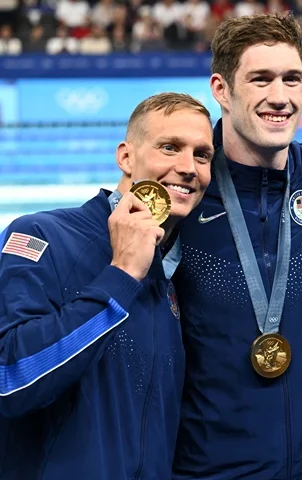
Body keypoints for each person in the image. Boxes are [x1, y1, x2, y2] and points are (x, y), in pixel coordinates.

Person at [171, 13, 302, 479]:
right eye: (260, 79)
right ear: (221, 90)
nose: (279, 97)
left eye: (291, 79)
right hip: (211, 468)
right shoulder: (182, 190)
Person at [0, 92, 214, 478]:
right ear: (126, 157)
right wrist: (121, 276)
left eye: (202, 155)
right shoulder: (42, 235)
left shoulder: (172, 276)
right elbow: (9, 377)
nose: (188, 167)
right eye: (170, 147)